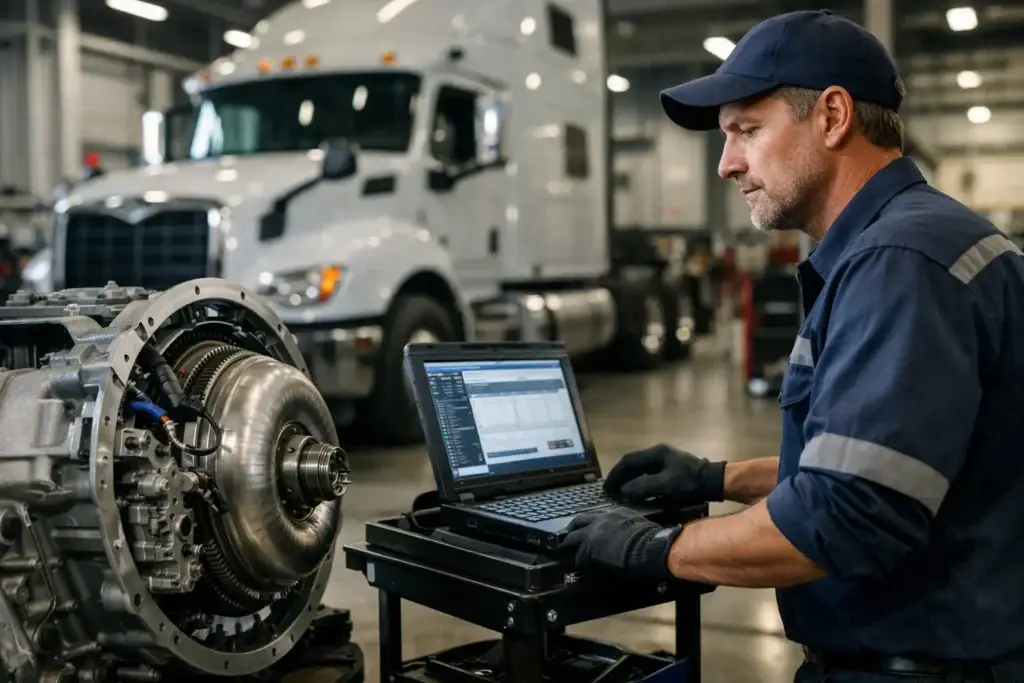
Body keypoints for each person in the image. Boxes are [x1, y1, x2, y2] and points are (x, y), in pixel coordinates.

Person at [559, 9, 1024, 683]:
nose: (727, 164)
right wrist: (718, 478)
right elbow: (892, 465)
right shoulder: (925, 239)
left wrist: (656, 546)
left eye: (746, 131)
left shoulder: (900, 261)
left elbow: (846, 514)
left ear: (832, 116)